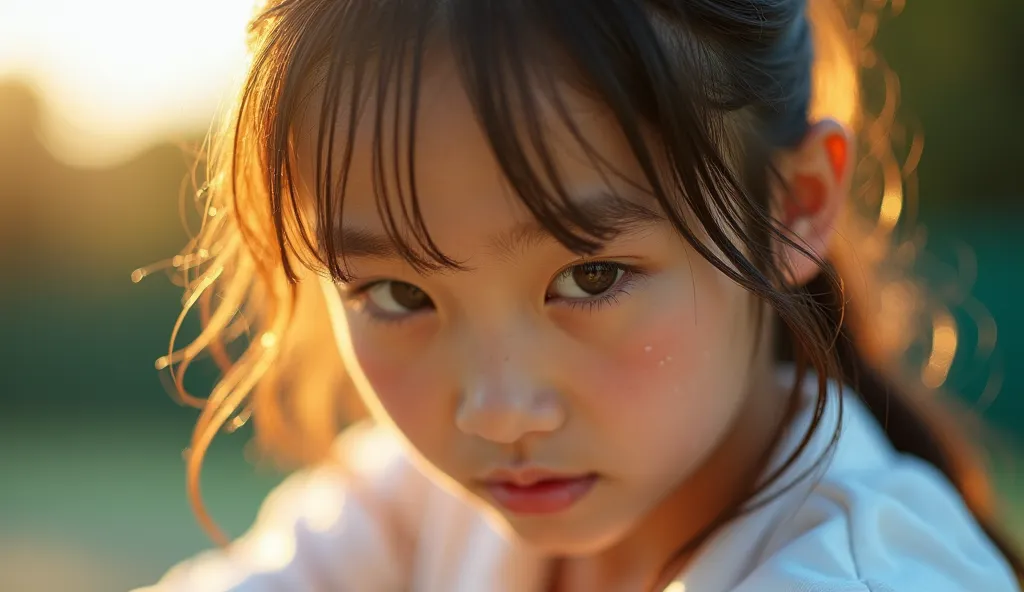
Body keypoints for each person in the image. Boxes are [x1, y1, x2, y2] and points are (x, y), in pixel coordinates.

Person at [134, 0, 1023, 590]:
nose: (496, 409)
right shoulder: (415, 510)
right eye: (398, 293)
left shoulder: (856, 575)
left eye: (589, 278)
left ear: (789, 207)